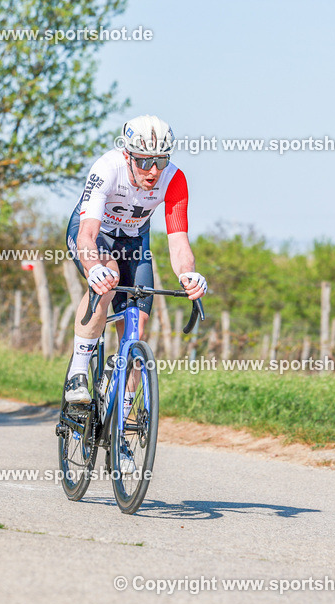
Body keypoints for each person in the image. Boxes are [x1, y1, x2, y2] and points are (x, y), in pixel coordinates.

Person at [64, 114, 207, 411]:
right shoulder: (107, 168)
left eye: (161, 160)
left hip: (133, 242)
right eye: (144, 161)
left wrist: (189, 274)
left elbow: (178, 240)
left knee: (137, 331)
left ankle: (123, 427)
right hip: (96, 237)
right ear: (128, 155)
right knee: (108, 281)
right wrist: (94, 269)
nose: (153, 170)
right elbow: (87, 234)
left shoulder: (175, 180)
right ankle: (77, 374)